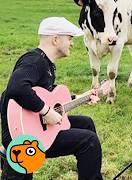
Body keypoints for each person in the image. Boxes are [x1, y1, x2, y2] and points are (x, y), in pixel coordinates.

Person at [0, 17, 104, 180]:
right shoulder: (34, 60)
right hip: (25, 136)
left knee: (86, 123)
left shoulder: (45, 63)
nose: (72, 43)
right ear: (55, 39)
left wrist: (80, 98)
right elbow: (16, 87)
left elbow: (45, 96)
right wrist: (46, 111)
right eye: (69, 38)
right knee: (88, 141)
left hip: (37, 124)